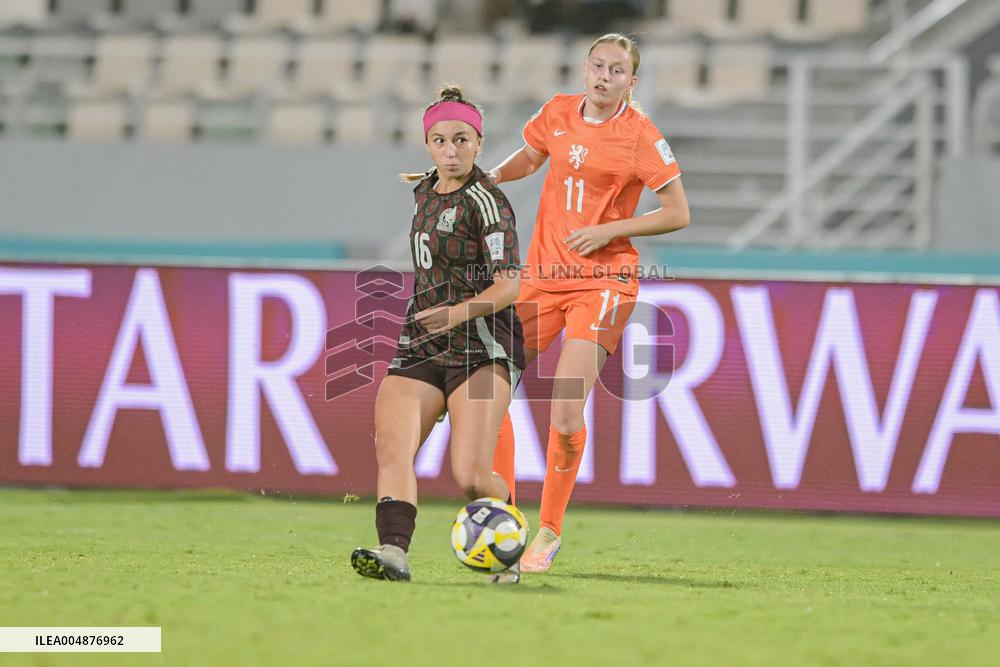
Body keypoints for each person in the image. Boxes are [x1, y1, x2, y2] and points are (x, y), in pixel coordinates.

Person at [488, 33, 690, 572]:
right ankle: (504, 519)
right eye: (597, 66)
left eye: (616, 70)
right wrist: (493, 176)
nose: (604, 76)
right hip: (542, 277)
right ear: (585, 68)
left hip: (603, 282)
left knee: (564, 409)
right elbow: (532, 156)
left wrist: (611, 230)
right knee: (487, 390)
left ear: (631, 81)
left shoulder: (641, 135)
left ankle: (549, 529)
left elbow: (677, 212)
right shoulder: (557, 111)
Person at [351, 85, 526, 583]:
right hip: (422, 340)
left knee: (470, 475)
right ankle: (393, 553)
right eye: (441, 140)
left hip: (482, 344)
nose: (451, 151)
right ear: (428, 144)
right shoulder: (424, 190)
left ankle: (508, 550)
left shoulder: (488, 202)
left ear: (479, 143)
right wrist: (438, 318)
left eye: (462, 140)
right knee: (393, 450)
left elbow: (510, 284)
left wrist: (455, 314)